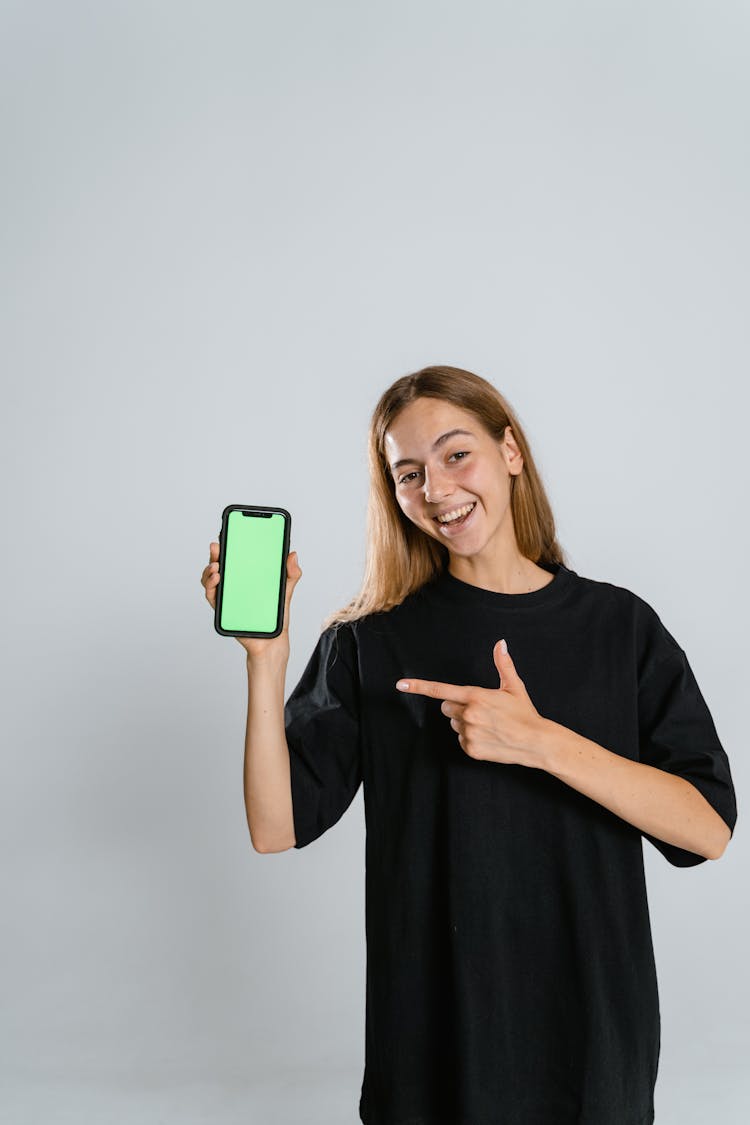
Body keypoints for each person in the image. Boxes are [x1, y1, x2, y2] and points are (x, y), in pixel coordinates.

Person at [201, 364, 737, 1125]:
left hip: (593, 1054)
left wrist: (542, 741)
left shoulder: (621, 628)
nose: (437, 490)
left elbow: (708, 828)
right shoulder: (370, 641)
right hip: (433, 1057)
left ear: (510, 450)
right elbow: (274, 825)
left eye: (457, 454)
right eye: (408, 473)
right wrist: (267, 663)